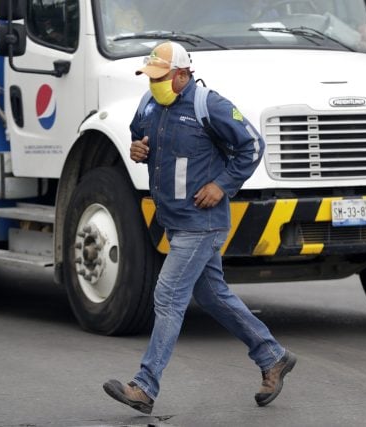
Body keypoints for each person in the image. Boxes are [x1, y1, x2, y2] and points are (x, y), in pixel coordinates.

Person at [102, 41, 296, 414]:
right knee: (212, 296)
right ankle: (273, 356)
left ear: (182, 75)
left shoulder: (211, 105)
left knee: (168, 296)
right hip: (173, 219)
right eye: (150, 77)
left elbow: (252, 145)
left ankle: (144, 386)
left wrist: (221, 185)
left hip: (202, 223)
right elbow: (138, 135)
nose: (153, 84)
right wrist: (137, 149)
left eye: (159, 78)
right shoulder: (149, 104)